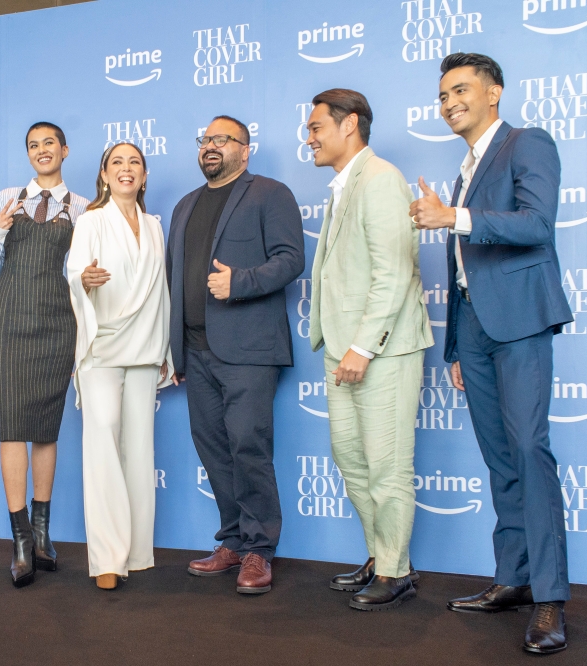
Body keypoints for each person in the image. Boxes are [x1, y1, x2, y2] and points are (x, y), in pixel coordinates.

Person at [411, 53, 573, 654]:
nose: (450, 102)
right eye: (443, 95)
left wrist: (453, 216)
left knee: (529, 451)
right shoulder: (464, 170)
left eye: (460, 90)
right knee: (499, 459)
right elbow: (461, 272)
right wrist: (455, 345)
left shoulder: (528, 143)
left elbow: (537, 224)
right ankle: (514, 580)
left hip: (522, 320)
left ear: (494, 91)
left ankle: (551, 598)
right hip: (474, 332)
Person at [305, 89, 433, 611]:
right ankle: (381, 556)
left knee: (386, 465)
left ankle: (396, 570)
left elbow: (394, 273)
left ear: (349, 124)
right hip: (342, 349)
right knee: (352, 460)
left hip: (381, 350)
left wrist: (362, 347)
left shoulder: (380, 179)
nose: (308, 137)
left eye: (316, 127)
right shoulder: (343, 186)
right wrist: (343, 346)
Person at [168, 116, 306, 595]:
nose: (210, 146)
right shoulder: (185, 205)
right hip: (195, 350)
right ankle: (231, 539)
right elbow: (173, 280)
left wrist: (240, 283)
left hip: (247, 349)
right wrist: (174, 350)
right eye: (204, 139)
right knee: (214, 449)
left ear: (245, 150)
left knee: (248, 446)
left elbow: (292, 259)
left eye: (221, 139)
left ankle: (258, 551)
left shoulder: (270, 193)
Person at [0, 121, 90, 588]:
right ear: (28, 155)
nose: (42, 151)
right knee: (12, 427)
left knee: (47, 427)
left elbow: (78, 274)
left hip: (56, 325)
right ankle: (21, 539)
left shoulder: (84, 208)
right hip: (8, 323)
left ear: (64, 150)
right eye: (33, 145)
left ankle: (44, 535)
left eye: (49, 143)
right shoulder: (9, 198)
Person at [67, 142, 174, 591]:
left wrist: (166, 351)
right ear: (104, 176)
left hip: (146, 348)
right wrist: (84, 280)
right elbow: (75, 271)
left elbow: (162, 291)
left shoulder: (154, 226)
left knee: (139, 450)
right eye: (117, 163)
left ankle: (135, 551)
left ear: (144, 176)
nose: (126, 169)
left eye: (134, 162)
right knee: (102, 446)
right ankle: (107, 557)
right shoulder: (90, 220)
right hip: (103, 347)